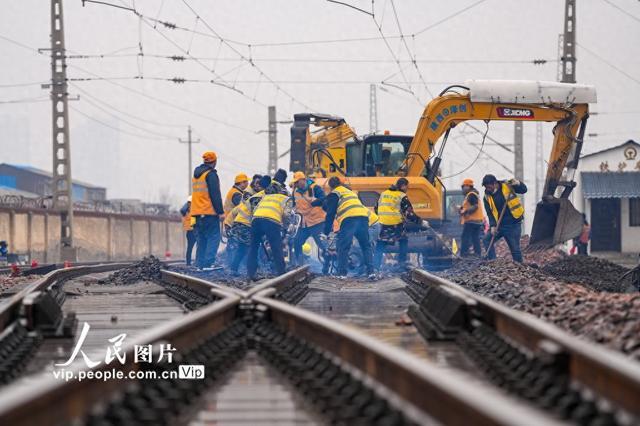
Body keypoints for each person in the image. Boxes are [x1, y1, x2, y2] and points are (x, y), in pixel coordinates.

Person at [323, 176, 375, 279]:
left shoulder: (334, 194)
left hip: (349, 219)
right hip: (363, 217)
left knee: (343, 246)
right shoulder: (350, 192)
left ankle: (342, 273)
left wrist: (326, 232)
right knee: (365, 246)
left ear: (331, 187)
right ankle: (371, 272)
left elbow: (330, 214)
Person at [373, 178, 422, 270]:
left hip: (383, 223)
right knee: (403, 240)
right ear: (403, 186)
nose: (407, 188)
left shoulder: (384, 194)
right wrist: (419, 221)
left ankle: (375, 267)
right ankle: (402, 264)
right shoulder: (402, 196)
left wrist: (383, 218)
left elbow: (376, 208)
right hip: (396, 224)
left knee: (381, 243)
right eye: (407, 186)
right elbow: (409, 214)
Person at [247, 183, 292, 280]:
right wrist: (285, 227)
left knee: (253, 248)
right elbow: (286, 215)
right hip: (272, 221)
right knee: (277, 248)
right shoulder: (284, 198)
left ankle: (251, 273)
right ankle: (282, 274)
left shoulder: (264, 197)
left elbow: (253, 208)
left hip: (256, 220)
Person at [228, 176, 270, 274]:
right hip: (245, 224)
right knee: (252, 248)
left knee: (242, 248)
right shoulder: (261, 197)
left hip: (241, 223)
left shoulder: (259, 195)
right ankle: (255, 271)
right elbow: (257, 213)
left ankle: (233, 269)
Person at [482, 174, 527, 263]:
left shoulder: (508, 186)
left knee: (515, 249)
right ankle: (493, 262)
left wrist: (518, 183)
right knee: (487, 240)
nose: (488, 189)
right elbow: (490, 213)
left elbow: (524, 190)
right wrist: (493, 226)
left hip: (513, 224)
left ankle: (520, 267)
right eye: (486, 187)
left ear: (495, 183)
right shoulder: (486, 197)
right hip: (499, 225)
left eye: (489, 187)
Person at [191, 151, 224, 270]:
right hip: (208, 212)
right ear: (214, 162)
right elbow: (215, 194)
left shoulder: (196, 175)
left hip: (196, 213)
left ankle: (199, 264)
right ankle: (209, 263)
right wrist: (220, 212)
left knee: (202, 239)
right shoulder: (211, 175)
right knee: (213, 237)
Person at [291, 171, 327, 266]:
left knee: (323, 245)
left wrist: (313, 201)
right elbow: (293, 205)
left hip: (317, 222)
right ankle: (298, 264)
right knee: (297, 242)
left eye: (297, 182)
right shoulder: (295, 191)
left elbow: (324, 199)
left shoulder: (315, 188)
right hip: (304, 223)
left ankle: (328, 266)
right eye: (295, 182)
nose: (295, 184)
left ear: (303, 180)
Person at [459, 178, 484, 257]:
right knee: (474, 237)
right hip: (477, 221)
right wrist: (461, 209)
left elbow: (475, 206)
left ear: (468, 186)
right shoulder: (473, 194)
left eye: (463, 187)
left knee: (465, 237)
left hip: (472, 221)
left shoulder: (471, 194)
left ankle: (464, 254)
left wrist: (465, 211)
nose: (462, 189)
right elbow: (472, 206)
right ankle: (477, 253)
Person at [180, 196, 197, 266]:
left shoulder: (185, 212)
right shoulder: (192, 211)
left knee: (189, 248)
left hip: (189, 232)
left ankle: (188, 263)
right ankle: (194, 262)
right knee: (198, 247)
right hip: (193, 231)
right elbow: (193, 222)